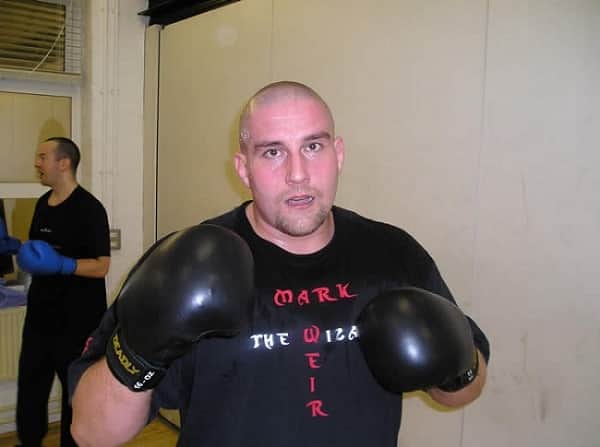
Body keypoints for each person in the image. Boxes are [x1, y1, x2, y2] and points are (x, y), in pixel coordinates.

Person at [69, 81, 490, 446]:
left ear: (338, 154)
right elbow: (91, 434)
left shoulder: (393, 254)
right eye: (272, 152)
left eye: (313, 146)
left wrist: (453, 367)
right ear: (244, 169)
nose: (298, 173)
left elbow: (464, 390)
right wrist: (143, 348)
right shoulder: (187, 262)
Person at [14, 137, 111, 447]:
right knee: (31, 388)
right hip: (40, 316)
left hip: (78, 322)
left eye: (43, 157)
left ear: (64, 163)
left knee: (75, 395)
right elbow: (38, 255)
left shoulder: (90, 209)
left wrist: (64, 265)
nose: (37, 163)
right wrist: (19, 250)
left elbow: (102, 266)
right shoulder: (43, 204)